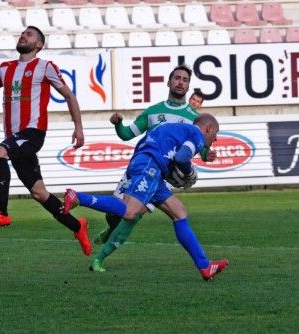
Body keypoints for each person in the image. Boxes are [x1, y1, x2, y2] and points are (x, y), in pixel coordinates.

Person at [0, 26, 92, 256]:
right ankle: (77, 225)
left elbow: (69, 95)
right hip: (15, 138)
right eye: (22, 33)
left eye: (29, 35)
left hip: (32, 133)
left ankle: (1, 212)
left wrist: (78, 128)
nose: (23, 36)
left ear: (39, 45)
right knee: (39, 193)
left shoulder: (45, 67)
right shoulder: (4, 69)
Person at [62, 113, 229, 281]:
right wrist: (188, 172)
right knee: (129, 212)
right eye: (215, 134)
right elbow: (181, 157)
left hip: (148, 164)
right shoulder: (197, 134)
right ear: (209, 128)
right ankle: (78, 197)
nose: (215, 139)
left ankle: (205, 266)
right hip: (150, 166)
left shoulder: (178, 129)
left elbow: (163, 148)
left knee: (179, 212)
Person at [93, 65, 216, 249]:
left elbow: (200, 148)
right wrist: (118, 124)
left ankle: (101, 257)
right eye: (177, 78)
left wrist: (207, 154)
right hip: (141, 166)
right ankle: (111, 229)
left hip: (163, 175)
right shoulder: (153, 111)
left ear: (188, 86)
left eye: (185, 80)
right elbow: (127, 134)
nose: (180, 82)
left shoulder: (194, 118)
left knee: (133, 214)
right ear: (169, 82)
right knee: (113, 213)